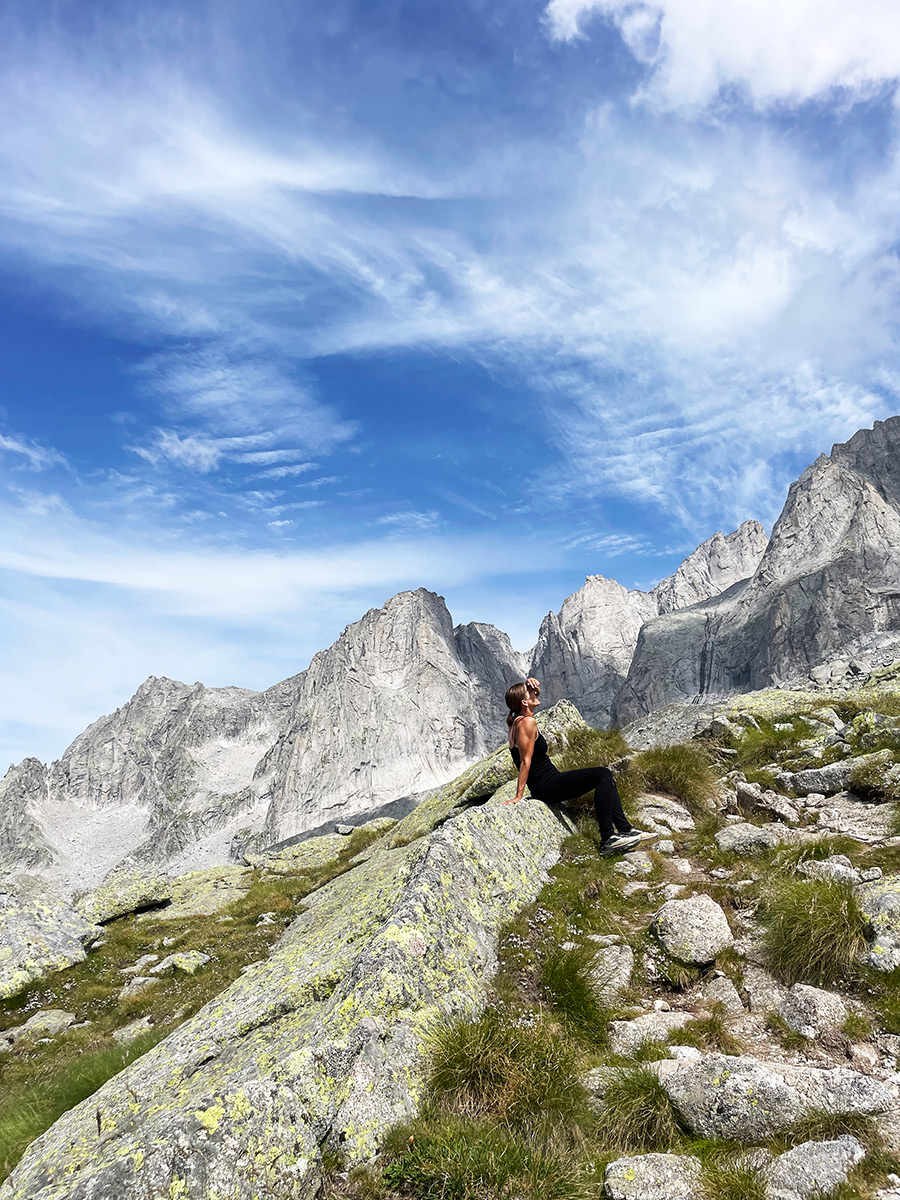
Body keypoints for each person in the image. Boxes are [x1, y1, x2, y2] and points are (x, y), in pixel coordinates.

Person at [503, 677, 652, 855]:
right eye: (531, 692)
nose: (536, 692)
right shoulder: (527, 723)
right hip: (547, 786)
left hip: (550, 782)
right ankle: (607, 838)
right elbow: (524, 761)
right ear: (524, 702)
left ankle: (625, 828)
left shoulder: (518, 722)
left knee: (606, 777)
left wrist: (532, 689)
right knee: (603, 775)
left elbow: (530, 709)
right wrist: (518, 796)